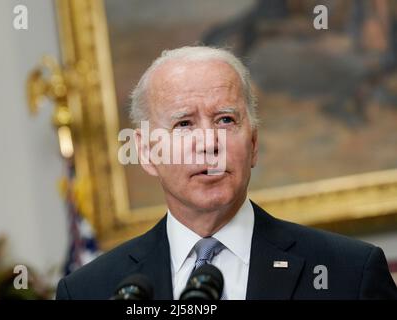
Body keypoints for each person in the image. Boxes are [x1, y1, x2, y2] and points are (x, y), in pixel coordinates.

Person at [56, 46, 397, 299]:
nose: (208, 142)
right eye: (184, 123)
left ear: (253, 144)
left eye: (225, 120)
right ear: (146, 152)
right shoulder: (89, 290)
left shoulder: (350, 273)